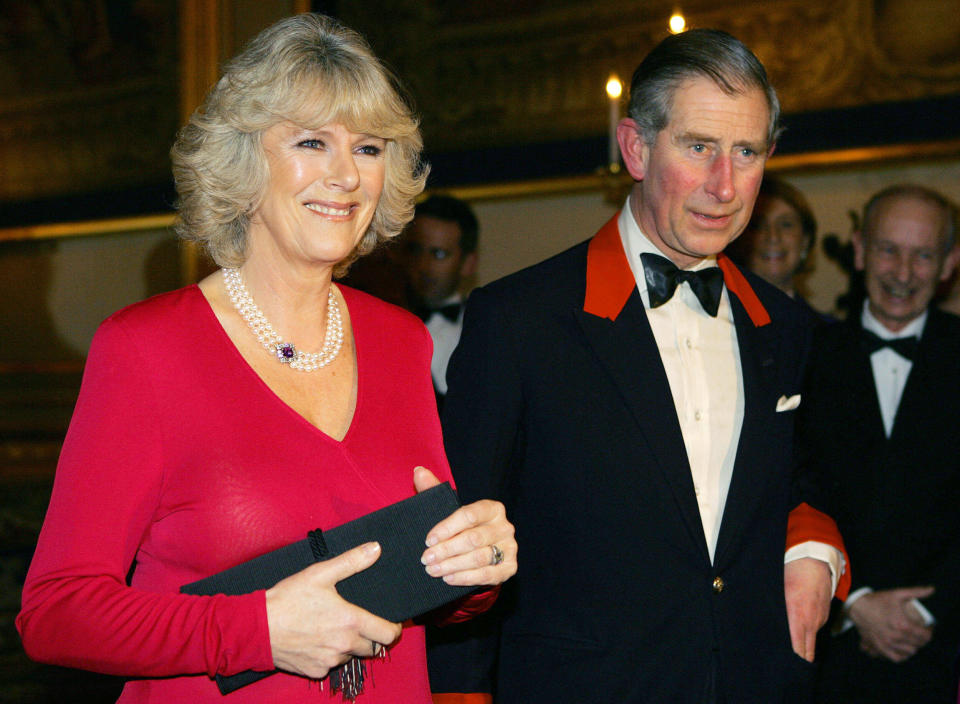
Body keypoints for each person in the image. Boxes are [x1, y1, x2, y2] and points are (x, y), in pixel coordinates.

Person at [16, 14, 516, 704]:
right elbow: (55, 614)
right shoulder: (145, 350)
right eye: (313, 142)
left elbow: (419, 578)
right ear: (245, 159)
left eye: (369, 148)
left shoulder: (403, 342)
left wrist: (472, 569)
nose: (346, 175)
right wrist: (257, 628)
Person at [438, 28, 849, 703]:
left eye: (746, 152)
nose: (724, 185)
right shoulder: (520, 320)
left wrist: (811, 549)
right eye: (698, 147)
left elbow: (803, 473)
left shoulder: (786, 326)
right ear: (635, 148)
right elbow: (462, 538)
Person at [799, 185, 960, 704]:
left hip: (947, 652)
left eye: (923, 255)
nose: (903, 272)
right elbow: (783, 494)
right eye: (889, 249)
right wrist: (854, 603)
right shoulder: (803, 357)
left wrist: (926, 611)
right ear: (860, 250)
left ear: (949, 264)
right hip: (827, 659)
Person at [403, 194, 479, 406]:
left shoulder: (487, 329)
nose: (423, 265)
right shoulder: (377, 327)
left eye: (438, 254)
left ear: (468, 263)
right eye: (416, 250)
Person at [728, 177, 830, 321]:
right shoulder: (718, 327)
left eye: (786, 224)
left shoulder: (830, 335)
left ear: (805, 240)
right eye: (758, 224)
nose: (773, 236)